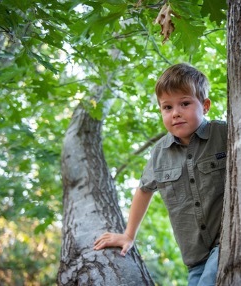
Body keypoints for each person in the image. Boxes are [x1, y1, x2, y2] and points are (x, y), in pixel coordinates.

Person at [94, 63, 227, 286]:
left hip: (227, 242)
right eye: (167, 107)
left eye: (184, 103)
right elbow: (144, 190)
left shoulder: (223, 133)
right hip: (195, 258)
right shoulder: (159, 154)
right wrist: (128, 235)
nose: (175, 113)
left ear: (204, 106)